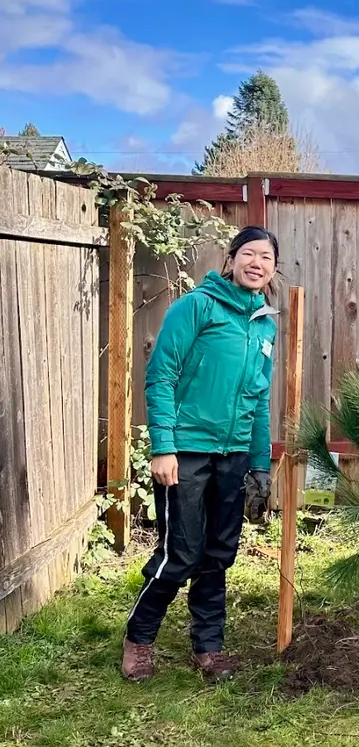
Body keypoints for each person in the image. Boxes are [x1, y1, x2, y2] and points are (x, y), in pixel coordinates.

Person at [121, 226, 280, 682]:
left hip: (233, 457)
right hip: (187, 452)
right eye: (248, 254)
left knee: (218, 553)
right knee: (181, 553)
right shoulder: (196, 306)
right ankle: (139, 637)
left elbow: (259, 400)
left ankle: (208, 648)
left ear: (273, 269)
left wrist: (259, 465)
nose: (257, 263)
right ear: (230, 261)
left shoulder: (265, 324)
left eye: (266, 257)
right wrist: (164, 447)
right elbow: (161, 375)